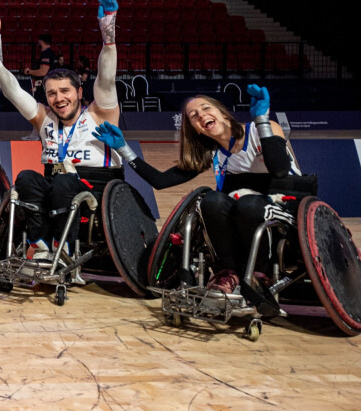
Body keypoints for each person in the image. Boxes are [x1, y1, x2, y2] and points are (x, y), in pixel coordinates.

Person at [92, 85, 299, 308]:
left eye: (206, 108)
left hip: (282, 209)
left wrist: (261, 119)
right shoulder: (214, 153)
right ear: (196, 129)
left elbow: (279, 169)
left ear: (222, 112)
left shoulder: (262, 129)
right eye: (194, 116)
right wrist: (124, 149)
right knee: (210, 200)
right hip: (243, 217)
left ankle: (262, 273)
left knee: (247, 203)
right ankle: (229, 272)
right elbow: (161, 182)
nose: (201, 116)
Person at [0, 0, 122, 261]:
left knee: (63, 182)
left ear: (80, 92)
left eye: (65, 91)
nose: (59, 98)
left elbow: (106, 78)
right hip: (54, 185)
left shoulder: (100, 113)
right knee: (25, 178)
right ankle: (41, 244)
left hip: (95, 189)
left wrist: (108, 36)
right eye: (52, 93)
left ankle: (64, 246)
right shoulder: (44, 118)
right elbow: (12, 91)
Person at [25, 34, 61, 104]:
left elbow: (43, 72)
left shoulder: (46, 54)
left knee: (42, 106)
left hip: (45, 86)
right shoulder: (51, 53)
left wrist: (29, 71)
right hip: (50, 84)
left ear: (41, 41)